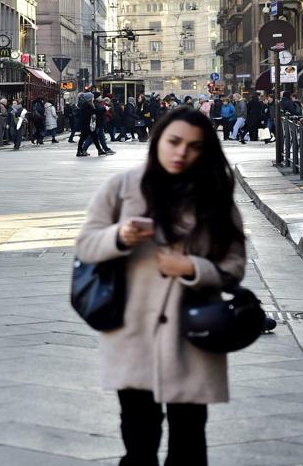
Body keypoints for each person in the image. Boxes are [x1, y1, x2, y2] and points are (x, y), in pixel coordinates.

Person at [75, 106, 246, 466]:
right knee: (138, 441)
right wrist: (120, 236)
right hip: (133, 332)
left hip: (193, 335)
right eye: (174, 142)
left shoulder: (215, 196)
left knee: (189, 441)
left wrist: (191, 267)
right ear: (157, 141)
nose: (181, 152)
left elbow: (234, 266)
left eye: (194, 146)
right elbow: (86, 246)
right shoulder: (121, 188)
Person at [76, 92, 104, 157]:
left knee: (91, 138)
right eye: (92, 97)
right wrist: (103, 110)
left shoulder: (87, 104)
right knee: (91, 138)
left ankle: (80, 151)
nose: (93, 98)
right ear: (89, 98)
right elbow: (92, 113)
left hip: (88, 125)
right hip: (87, 125)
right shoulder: (86, 105)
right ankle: (99, 150)